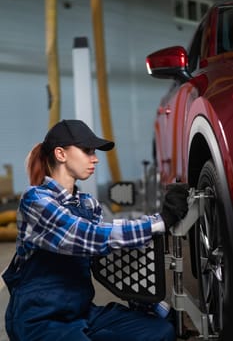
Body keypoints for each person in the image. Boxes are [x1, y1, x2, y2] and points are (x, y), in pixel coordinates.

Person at [3, 119, 189, 341]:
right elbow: (88, 236)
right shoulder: (35, 200)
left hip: (82, 313)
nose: (95, 159)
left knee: (159, 332)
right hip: (39, 320)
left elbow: (113, 259)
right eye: (87, 151)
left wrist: (161, 309)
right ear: (61, 154)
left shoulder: (87, 204)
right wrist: (162, 221)